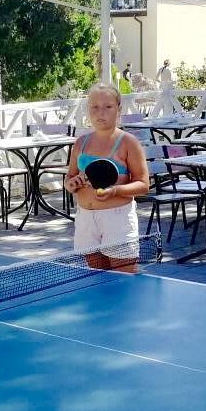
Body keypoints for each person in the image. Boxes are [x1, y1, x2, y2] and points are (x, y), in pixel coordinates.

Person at [64, 83, 149, 271]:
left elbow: (143, 184)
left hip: (117, 219)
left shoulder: (128, 142)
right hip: (86, 219)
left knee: (123, 278)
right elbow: (69, 178)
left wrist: (115, 191)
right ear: (88, 110)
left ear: (119, 109)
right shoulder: (81, 143)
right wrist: (71, 184)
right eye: (95, 107)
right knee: (97, 277)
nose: (100, 112)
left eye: (108, 107)